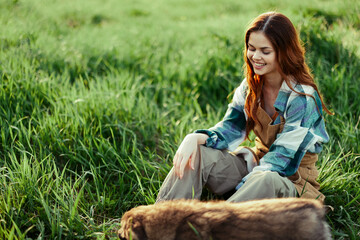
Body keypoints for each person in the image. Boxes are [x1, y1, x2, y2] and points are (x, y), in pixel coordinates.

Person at [156, 12, 332, 203]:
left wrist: (240, 188)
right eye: (251, 48)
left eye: (265, 51)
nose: (255, 57)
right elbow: (230, 128)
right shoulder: (251, 86)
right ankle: (162, 219)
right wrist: (195, 138)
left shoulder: (302, 97)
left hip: (290, 181)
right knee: (197, 153)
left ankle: (214, 223)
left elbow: (283, 159)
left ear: (284, 52)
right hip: (257, 165)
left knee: (266, 179)